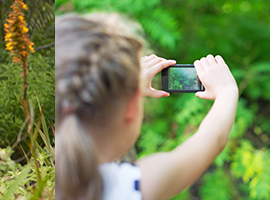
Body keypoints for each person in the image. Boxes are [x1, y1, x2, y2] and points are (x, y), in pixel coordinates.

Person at [55, 13, 239, 200]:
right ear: (130, 110)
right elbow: (213, 138)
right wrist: (227, 91)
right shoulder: (129, 187)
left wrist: (126, 92)